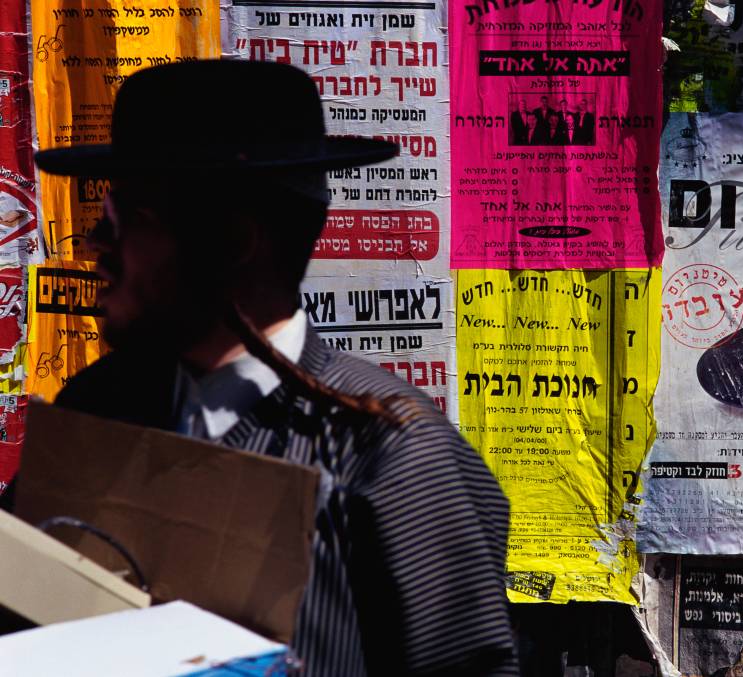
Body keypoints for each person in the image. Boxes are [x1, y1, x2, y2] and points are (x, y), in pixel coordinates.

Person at [30, 60, 518, 676]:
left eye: (124, 219)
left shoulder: (385, 452)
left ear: (234, 242)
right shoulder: (98, 409)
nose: (95, 244)